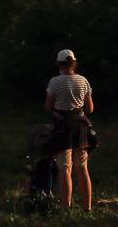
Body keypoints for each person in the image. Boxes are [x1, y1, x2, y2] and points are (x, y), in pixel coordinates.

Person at [44, 49, 94, 212]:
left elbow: (48, 107)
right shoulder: (83, 80)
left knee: (65, 169)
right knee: (82, 168)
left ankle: (66, 209)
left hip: (62, 129)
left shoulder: (54, 82)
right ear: (74, 63)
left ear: (59, 64)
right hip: (80, 127)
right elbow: (90, 108)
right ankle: (87, 207)